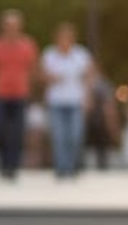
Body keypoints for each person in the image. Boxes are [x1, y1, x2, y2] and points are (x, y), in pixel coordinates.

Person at [0, 9, 38, 181]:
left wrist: (35, 94)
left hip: (21, 95)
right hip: (0, 94)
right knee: (0, 130)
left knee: (17, 133)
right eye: (8, 24)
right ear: (2, 26)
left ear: (20, 26)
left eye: (14, 24)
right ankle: (3, 163)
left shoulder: (28, 45)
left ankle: (13, 166)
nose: (11, 28)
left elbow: (34, 71)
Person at [40, 22, 95, 179]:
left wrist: (88, 97)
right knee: (59, 137)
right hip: (56, 102)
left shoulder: (81, 54)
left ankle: (72, 166)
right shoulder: (49, 54)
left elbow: (89, 77)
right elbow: (41, 76)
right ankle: (62, 168)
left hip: (76, 101)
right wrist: (51, 78)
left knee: (75, 136)